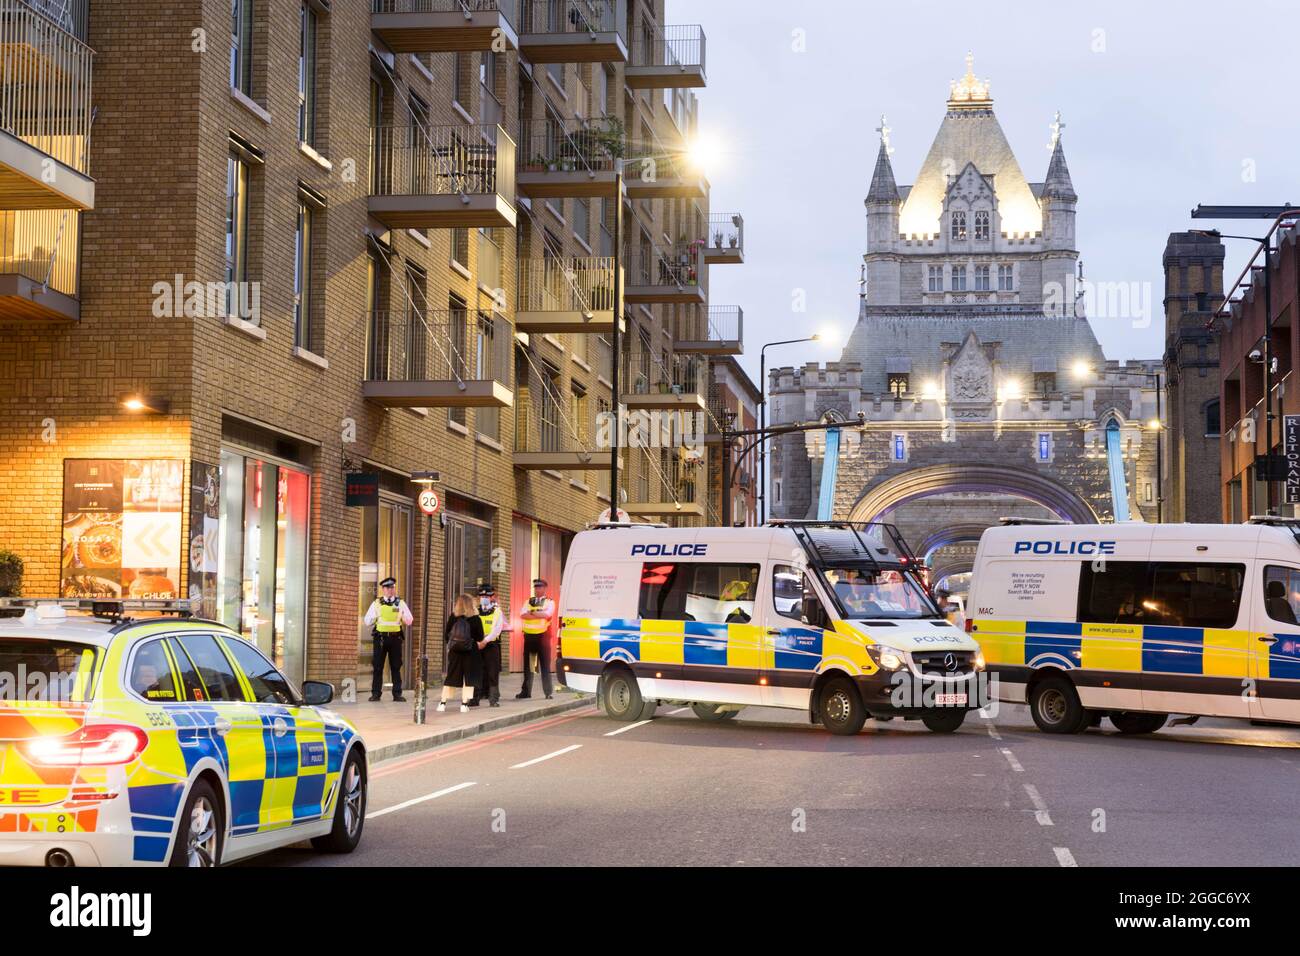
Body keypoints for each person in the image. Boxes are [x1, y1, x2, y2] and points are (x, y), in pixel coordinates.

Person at [363, 576, 413, 702]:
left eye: (392, 588)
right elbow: (367, 621)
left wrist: (403, 616)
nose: (390, 590)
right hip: (380, 638)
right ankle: (375, 694)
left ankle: (397, 694)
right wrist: (375, 617)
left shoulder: (400, 603)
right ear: (383, 589)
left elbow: (409, 620)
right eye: (388, 588)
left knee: (396, 666)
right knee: (378, 667)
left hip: (395, 639)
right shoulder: (377, 603)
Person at [440, 593, 484, 713]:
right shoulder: (475, 619)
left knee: (451, 676)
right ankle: (464, 704)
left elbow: (446, 635)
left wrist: (452, 645)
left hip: (455, 652)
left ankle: (442, 703)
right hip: (470, 651)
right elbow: (480, 637)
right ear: (471, 604)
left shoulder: (453, 617)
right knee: (468, 679)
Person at [516, 577, 555, 700]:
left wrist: (531, 613)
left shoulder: (550, 602)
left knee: (544, 666)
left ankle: (548, 692)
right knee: (528, 666)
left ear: (544, 588)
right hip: (529, 637)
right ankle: (526, 692)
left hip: (543, 637)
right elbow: (522, 614)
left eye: (539, 587)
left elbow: (547, 614)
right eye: (536, 587)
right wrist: (538, 614)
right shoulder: (528, 601)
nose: (537, 589)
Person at [474, 583, 504, 707]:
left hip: (491, 644)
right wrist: (477, 642)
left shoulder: (497, 611)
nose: (484, 598)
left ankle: (493, 699)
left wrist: (485, 641)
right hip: (477, 644)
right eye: (481, 596)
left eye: (486, 596)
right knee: (476, 672)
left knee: (492, 672)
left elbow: (497, 629)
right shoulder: (475, 610)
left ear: (492, 597)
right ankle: (474, 699)